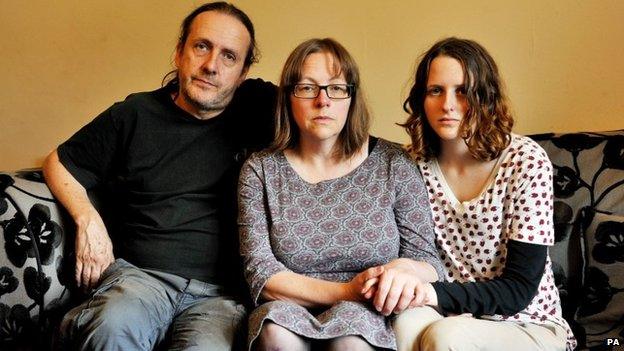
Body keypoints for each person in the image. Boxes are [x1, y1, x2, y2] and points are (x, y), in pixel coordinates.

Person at [42, 2, 276, 350]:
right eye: (201, 46)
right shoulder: (135, 115)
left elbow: (326, 105)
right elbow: (58, 162)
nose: (211, 66)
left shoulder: (261, 109)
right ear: (179, 52)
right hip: (139, 278)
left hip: (220, 298)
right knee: (113, 327)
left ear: (242, 73)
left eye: (229, 56)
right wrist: (87, 218)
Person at [237, 38, 444, 351]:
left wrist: (400, 274)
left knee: (351, 343)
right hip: (287, 308)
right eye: (307, 87)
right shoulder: (260, 170)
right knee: (276, 334)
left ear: (351, 96)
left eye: (336, 87)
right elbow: (261, 274)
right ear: (289, 98)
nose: (323, 101)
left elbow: (428, 261)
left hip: (369, 310)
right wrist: (347, 290)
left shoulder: (393, 163)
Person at [393, 37, 576, 351]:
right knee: (402, 325)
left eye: (462, 91)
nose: (448, 104)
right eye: (436, 90)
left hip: (528, 322)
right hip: (447, 312)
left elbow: (519, 289)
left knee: (447, 337)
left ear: (485, 96)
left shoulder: (524, 161)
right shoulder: (411, 165)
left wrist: (429, 293)